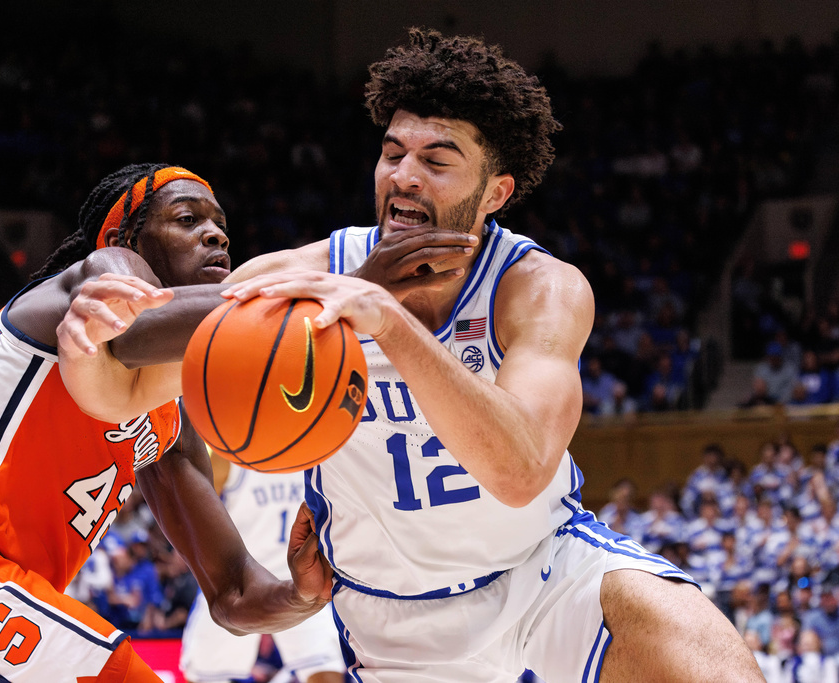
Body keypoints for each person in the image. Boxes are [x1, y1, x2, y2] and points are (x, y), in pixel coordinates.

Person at [66, 29, 763, 681]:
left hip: (542, 573)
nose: (404, 175)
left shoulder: (538, 289)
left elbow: (520, 470)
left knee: (707, 649)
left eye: (437, 159)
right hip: (392, 620)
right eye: (394, 152)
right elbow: (133, 349)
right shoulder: (309, 278)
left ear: (496, 192)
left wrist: (392, 325)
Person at [0, 163, 331, 682]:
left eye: (219, 223)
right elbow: (135, 325)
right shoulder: (96, 278)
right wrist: (338, 288)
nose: (215, 233)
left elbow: (235, 596)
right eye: (186, 218)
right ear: (123, 236)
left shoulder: (173, 420)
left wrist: (302, 593)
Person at [178, 453, 346, 683]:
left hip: (295, 578)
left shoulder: (317, 453)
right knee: (208, 676)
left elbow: (189, 512)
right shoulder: (230, 454)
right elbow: (192, 506)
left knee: (325, 669)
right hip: (241, 578)